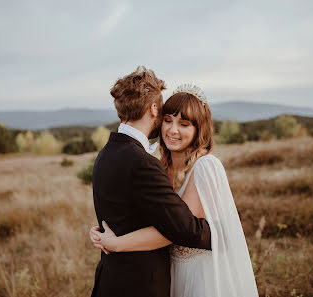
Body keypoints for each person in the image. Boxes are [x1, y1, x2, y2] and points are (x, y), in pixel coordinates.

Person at [90, 83, 259, 297]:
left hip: (199, 274)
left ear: (199, 129)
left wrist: (116, 243)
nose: (173, 130)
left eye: (184, 124)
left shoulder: (205, 167)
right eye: (168, 120)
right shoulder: (157, 165)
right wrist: (102, 230)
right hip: (168, 271)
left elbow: (178, 230)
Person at [89, 67, 212, 297]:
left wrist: (100, 234)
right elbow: (185, 230)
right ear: (154, 109)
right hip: (138, 286)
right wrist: (219, 232)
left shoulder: (105, 153)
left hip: (110, 281)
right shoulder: (143, 163)